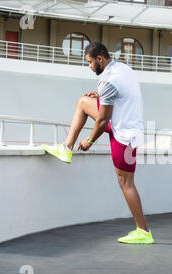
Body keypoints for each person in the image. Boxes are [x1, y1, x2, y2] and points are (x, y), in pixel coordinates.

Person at [41, 42, 154, 244]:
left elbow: (102, 121)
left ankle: (143, 231)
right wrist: (100, 97)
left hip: (123, 136)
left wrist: (89, 141)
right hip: (130, 127)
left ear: (100, 59)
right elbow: (120, 97)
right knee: (84, 101)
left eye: (91, 62)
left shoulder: (108, 81)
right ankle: (66, 148)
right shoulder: (123, 69)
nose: (90, 67)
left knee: (125, 183)